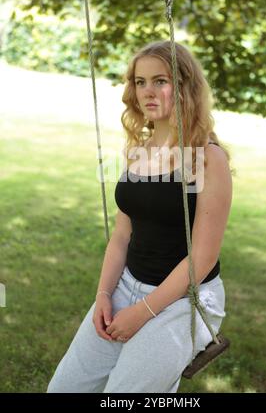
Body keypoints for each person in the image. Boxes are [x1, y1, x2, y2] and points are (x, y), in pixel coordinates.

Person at [47, 40, 233, 393]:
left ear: (185, 88)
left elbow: (203, 258)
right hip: (126, 287)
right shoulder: (136, 152)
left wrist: (144, 311)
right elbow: (121, 236)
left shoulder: (208, 159)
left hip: (184, 301)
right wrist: (104, 294)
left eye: (160, 81)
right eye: (140, 81)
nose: (147, 91)